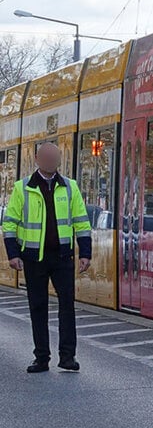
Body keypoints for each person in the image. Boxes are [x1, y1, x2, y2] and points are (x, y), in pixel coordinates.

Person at [2, 143, 92, 373]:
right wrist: (13, 254)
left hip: (62, 257)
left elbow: (82, 222)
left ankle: (67, 357)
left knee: (67, 307)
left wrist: (85, 253)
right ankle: (41, 357)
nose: (52, 161)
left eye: (55, 157)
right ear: (38, 159)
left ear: (59, 160)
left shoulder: (70, 187)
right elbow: (9, 224)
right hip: (33, 258)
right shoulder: (22, 188)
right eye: (47, 157)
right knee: (38, 307)